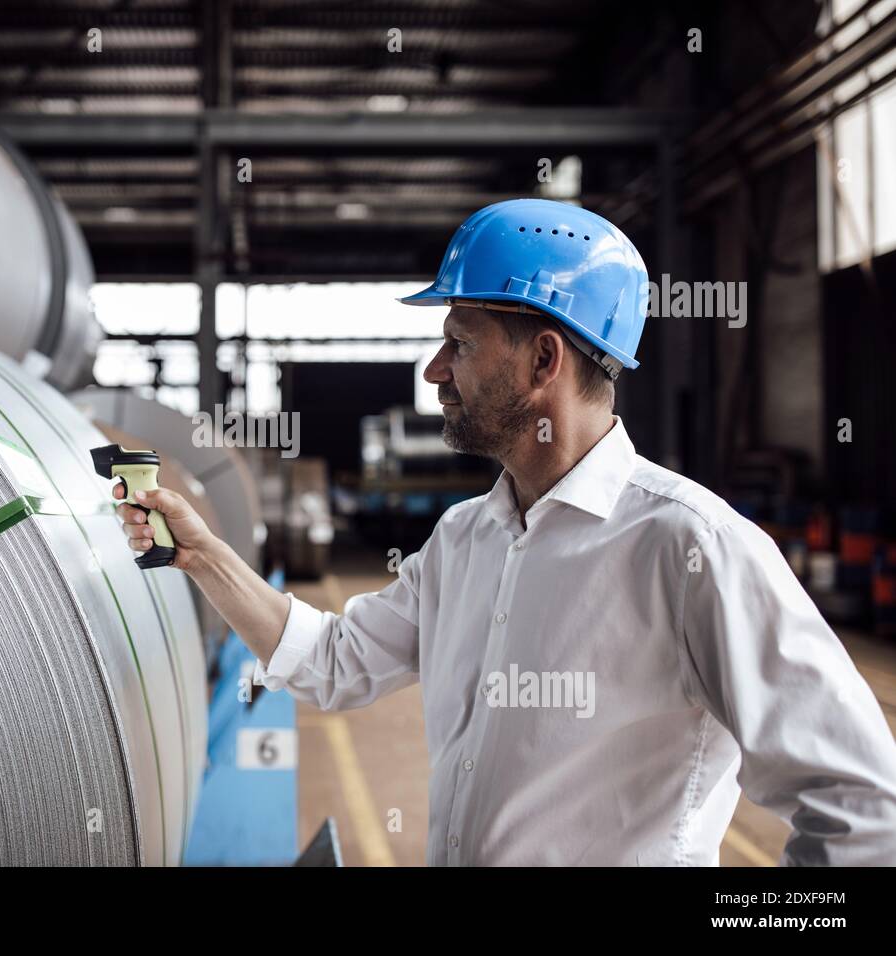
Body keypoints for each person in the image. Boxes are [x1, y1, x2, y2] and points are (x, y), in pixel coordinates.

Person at [112, 198, 896, 865]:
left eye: (459, 342)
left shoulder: (690, 550)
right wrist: (200, 553)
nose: (434, 370)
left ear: (543, 360)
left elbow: (863, 809)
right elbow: (333, 661)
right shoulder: (464, 540)